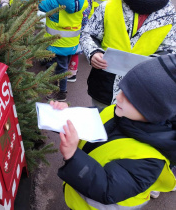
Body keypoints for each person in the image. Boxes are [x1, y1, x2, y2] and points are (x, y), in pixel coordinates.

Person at [50, 54, 176, 209]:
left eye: (130, 98)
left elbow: (107, 189)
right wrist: (65, 117)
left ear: (154, 111)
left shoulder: (151, 160)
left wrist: (73, 155)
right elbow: (89, 121)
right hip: (78, 191)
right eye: (122, 89)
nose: (118, 97)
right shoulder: (119, 112)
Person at [80, 0, 176, 109]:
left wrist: (148, 67)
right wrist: (93, 52)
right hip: (104, 84)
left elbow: (171, 51)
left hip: (142, 90)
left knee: (130, 126)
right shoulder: (109, 6)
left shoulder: (170, 15)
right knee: (99, 123)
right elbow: (88, 34)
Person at [39, 0, 88, 101]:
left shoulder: (54, 4)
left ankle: (61, 93)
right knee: (63, 67)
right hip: (72, 42)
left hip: (57, 44)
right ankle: (59, 88)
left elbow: (36, 3)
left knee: (60, 70)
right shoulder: (84, 2)